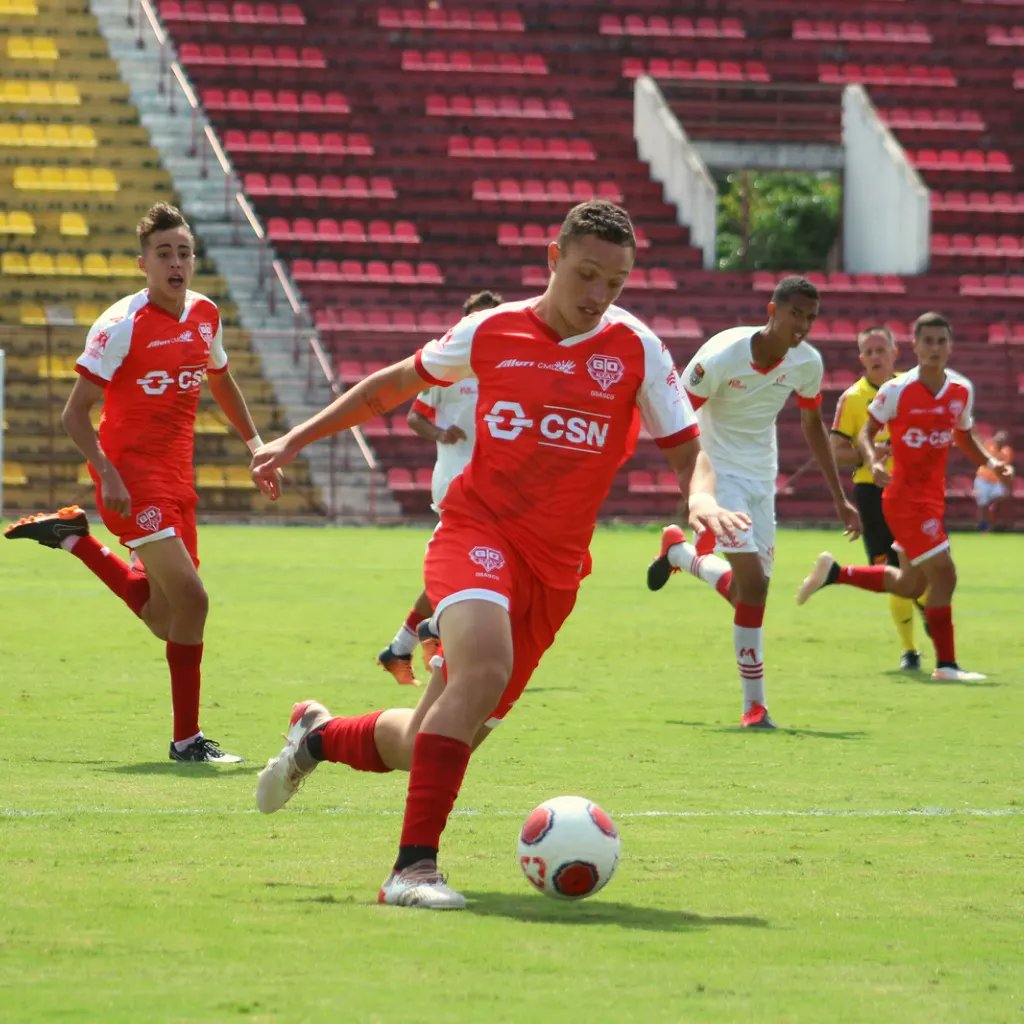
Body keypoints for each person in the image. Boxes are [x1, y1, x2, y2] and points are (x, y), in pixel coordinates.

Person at [250, 199, 748, 909]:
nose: (598, 295)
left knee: (425, 743)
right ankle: (411, 872)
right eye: (585, 275)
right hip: (476, 532)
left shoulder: (636, 347)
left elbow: (688, 450)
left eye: (616, 282)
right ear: (553, 258)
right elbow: (393, 384)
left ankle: (319, 738)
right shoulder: (491, 331)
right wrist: (294, 439)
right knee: (483, 670)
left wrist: (699, 498)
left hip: (555, 571)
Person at [4, 203, 279, 762]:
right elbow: (74, 414)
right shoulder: (120, 325)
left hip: (179, 478)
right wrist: (105, 473)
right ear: (143, 264)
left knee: (166, 618)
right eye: (164, 253)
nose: (176, 262)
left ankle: (76, 539)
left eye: (183, 252)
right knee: (194, 602)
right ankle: (187, 742)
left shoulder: (205, 315)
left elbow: (222, 382)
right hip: (129, 478)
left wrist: (257, 447)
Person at [646, 275, 862, 729]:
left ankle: (680, 555)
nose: (801, 325)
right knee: (756, 588)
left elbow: (812, 428)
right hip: (719, 473)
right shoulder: (722, 356)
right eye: (794, 314)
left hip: (763, 477)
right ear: (772, 311)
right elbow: (679, 420)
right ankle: (755, 706)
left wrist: (840, 498)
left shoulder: (806, 364)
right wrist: (692, 490)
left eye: (810, 317)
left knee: (749, 591)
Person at [796, 311, 1012, 682]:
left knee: (912, 584)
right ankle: (946, 665)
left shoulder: (961, 390)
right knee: (945, 575)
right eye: (927, 341)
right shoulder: (896, 391)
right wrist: (871, 460)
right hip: (904, 499)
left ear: (950, 346)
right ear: (914, 346)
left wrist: (991, 461)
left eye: (941, 341)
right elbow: (866, 432)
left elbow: (963, 436)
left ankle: (836, 573)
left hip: (932, 498)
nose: (934, 348)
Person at [376, 289, 504, 687]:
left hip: (495, 486)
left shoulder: (510, 369)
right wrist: (441, 431)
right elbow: (416, 417)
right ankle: (436, 636)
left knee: (461, 570)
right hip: (456, 484)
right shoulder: (451, 367)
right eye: (477, 318)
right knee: (483, 567)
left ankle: (403, 645)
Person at [830, 325, 925, 671]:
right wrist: (869, 454)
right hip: (872, 494)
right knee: (891, 571)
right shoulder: (852, 399)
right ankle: (910, 650)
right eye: (868, 352)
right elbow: (836, 452)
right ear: (861, 359)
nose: (874, 357)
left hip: (914, 490)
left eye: (880, 350)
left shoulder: (913, 390)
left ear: (895, 353)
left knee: (925, 569)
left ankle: (931, 615)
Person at [974, 429, 1013, 532]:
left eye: (1003, 439)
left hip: (996, 481)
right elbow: (978, 444)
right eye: (999, 438)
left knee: (1001, 496)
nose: (1000, 440)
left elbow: (1006, 466)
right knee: (982, 505)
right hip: (983, 479)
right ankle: (983, 528)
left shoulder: (1007, 451)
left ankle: (991, 513)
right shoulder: (988, 446)